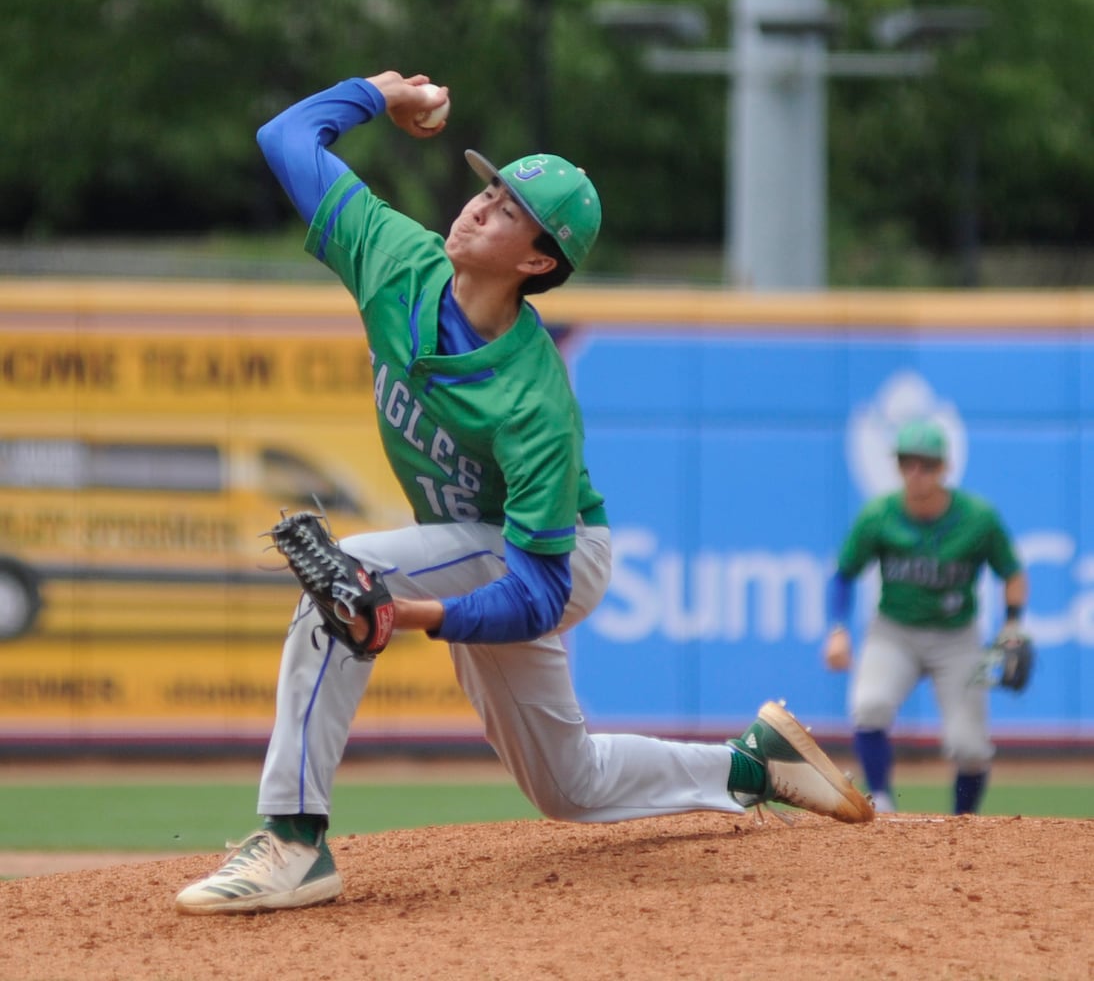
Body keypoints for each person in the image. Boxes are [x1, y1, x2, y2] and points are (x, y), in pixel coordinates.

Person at [175, 70, 872, 915]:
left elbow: (539, 591)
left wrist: (405, 615)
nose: (479, 206)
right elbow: (286, 139)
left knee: (347, 574)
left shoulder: (534, 401)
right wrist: (378, 91)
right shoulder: (394, 255)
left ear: (539, 261)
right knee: (566, 788)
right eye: (492, 188)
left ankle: (293, 839)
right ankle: (754, 762)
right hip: (472, 548)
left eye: (509, 210)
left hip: (556, 556)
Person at [822, 419, 1028, 815]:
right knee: (869, 706)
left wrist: (1013, 623)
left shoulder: (978, 517)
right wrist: (838, 629)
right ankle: (880, 798)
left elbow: (1013, 573)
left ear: (944, 468)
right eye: (906, 463)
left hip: (959, 635)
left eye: (926, 465)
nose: (916, 473)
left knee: (970, 746)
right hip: (894, 630)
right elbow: (843, 575)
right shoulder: (879, 514)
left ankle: (961, 824)